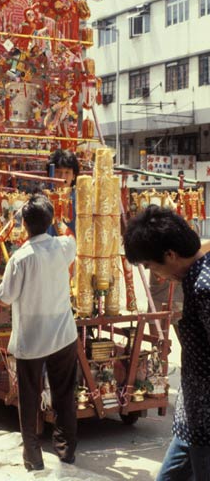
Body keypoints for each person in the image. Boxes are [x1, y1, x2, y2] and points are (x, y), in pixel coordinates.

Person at [0, 193, 78, 471]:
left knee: (29, 399)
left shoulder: (20, 258)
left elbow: (4, 296)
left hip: (32, 340)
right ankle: (66, 452)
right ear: (48, 221)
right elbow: (64, 232)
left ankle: (33, 458)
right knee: (64, 396)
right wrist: (54, 218)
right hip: (62, 335)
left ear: (24, 224)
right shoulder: (64, 246)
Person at [124, 205, 210, 481]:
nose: (157, 276)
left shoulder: (204, 287)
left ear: (170, 255)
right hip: (193, 414)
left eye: (151, 266)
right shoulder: (196, 276)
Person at [46, 148, 79, 236]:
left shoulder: (82, 201)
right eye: (58, 172)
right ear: (50, 174)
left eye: (67, 172)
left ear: (74, 176)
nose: (62, 176)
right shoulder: (44, 200)